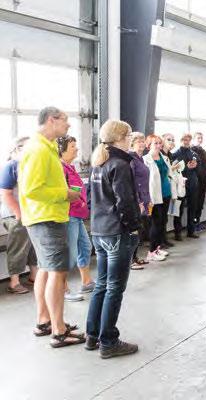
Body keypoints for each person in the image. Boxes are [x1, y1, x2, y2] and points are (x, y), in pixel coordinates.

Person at [18, 107, 84, 347]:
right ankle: (59, 330)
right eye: (65, 120)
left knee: (46, 271)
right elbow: (31, 189)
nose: (68, 125)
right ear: (51, 120)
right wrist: (64, 194)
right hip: (46, 219)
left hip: (44, 217)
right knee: (57, 272)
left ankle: (44, 321)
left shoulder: (46, 147)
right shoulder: (38, 150)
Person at [86, 119, 141, 359]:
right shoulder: (120, 164)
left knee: (101, 284)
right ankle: (108, 341)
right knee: (114, 288)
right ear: (120, 138)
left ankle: (92, 335)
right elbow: (125, 202)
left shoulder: (98, 162)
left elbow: (91, 199)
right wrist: (133, 227)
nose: (130, 140)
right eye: (129, 137)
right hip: (117, 232)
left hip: (99, 231)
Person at [58, 135, 95, 297]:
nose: (76, 149)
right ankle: (62, 289)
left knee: (85, 247)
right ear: (62, 150)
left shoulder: (70, 167)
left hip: (77, 216)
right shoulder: (60, 168)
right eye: (72, 146)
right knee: (70, 254)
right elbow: (63, 193)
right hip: (69, 215)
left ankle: (86, 282)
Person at [0, 137, 37, 295]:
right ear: (18, 149)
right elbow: (5, 194)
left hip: (29, 214)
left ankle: (34, 276)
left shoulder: (28, 165)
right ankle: (14, 283)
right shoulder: (11, 166)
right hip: (15, 215)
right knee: (18, 248)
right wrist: (18, 214)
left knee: (32, 246)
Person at [143, 135, 171, 262]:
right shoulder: (145, 160)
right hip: (154, 196)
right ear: (148, 145)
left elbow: (168, 174)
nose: (159, 145)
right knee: (155, 223)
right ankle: (151, 251)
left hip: (166, 193)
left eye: (160, 143)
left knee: (162, 222)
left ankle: (158, 248)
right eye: (155, 143)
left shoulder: (164, 157)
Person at [128, 132, 151, 269]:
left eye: (143, 141)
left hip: (144, 198)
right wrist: (138, 201)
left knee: (140, 230)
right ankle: (131, 260)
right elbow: (131, 182)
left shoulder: (140, 159)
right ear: (132, 143)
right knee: (135, 231)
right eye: (139, 141)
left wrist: (147, 199)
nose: (142, 144)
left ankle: (135, 257)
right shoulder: (131, 159)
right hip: (137, 200)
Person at [173, 133, 200, 239]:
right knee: (178, 208)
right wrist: (186, 168)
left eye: (188, 140)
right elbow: (173, 171)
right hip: (180, 184)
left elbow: (199, 170)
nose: (186, 142)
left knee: (192, 208)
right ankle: (177, 232)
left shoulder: (194, 154)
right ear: (181, 140)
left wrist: (196, 165)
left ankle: (191, 231)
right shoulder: (175, 154)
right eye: (184, 140)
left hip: (192, 184)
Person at [161, 133, 186, 241]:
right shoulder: (159, 155)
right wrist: (173, 168)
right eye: (169, 139)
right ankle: (161, 240)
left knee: (177, 210)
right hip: (164, 189)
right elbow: (163, 172)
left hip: (174, 187)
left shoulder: (171, 155)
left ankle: (177, 233)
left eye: (173, 139)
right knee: (162, 216)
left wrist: (177, 168)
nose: (171, 141)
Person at [191, 132, 206, 231]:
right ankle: (193, 224)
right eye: (198, 138)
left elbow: (205, 164)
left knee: (200, 202)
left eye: (201, 138)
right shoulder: (192, 150)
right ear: (194, 139)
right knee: (195, 202)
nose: (200, 139)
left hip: (203, 180)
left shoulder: (202, 150)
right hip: (197, 181)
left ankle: (197, 221)